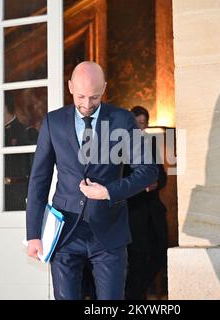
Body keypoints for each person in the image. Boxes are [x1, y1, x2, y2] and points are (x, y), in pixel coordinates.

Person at [26, 61, 158, 300]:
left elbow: (148, 171)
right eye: (81, 96)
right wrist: (33, 234)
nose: (87, 105)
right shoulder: (52, 122)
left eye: (95, 97)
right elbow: (39, 180)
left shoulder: (122, 119)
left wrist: (108, 191)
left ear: (105, 88)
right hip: (64, 232)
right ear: (70, 87)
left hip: (109, 234)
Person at [124, 106, 168, 300]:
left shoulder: (150, 144)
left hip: (154, 209)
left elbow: (162, 174)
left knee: (161, 252)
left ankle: (134, 292)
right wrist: (139, 184)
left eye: (143, 124)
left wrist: (156, 183)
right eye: (136, 123)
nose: (140, 127)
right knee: (138, 257)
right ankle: (135, 295)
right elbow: (122, 178)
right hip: (134, 211)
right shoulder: (120, 146)